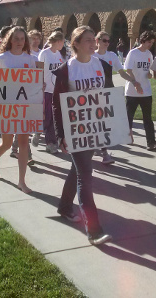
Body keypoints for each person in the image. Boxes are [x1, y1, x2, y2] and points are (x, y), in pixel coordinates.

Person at [52, 26, 114, 246]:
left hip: (95, 128)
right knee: (85, 176)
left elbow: (108, 96)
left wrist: (113, 127)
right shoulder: (66, 70)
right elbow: (57, 105)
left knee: (77, 170)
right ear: (75, 43)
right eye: (87, 40)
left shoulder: (102, 65)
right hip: (75, 130)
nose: (93, 44)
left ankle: (65, 206)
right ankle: (94, 229)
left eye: (93, 40)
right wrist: (61, 135)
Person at [0, 26, 37, 194]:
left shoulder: (30, 60)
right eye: (15, 38)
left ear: (26, 41)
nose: (19, 42)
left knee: (23, 143)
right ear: (9, 40)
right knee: (7, 143)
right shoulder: (2, 58)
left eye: (22, 39)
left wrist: (40, 86)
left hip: (24, 107)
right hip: (7, 106)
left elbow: (33, 83)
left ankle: (21, 181)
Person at [93, 31, 138, 163]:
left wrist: (133, 81)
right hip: (94, 92)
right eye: (104, 40)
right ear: (97, 41)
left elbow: (121, 72)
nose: (107, 43)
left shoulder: (112, 55)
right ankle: (99, 148)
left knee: (105, 123)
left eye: (108, 41)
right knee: (96, 122)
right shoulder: (91, 55)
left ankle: (104, 151)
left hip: (108, 90)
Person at [124, 30, 156, 150]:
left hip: (146, 91)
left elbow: (148, 70)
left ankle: (151, 142)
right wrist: (135, 83)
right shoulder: (133, 53)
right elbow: (128, 70)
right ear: (142, 40)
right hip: (132, 91)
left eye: (152, 42)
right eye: (149, 42)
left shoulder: (149, 54)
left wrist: (149, 74)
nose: (150, 44)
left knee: (148, 118)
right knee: (129, 116)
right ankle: (128, 136)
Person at [37, 31, 66, 154]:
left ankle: (51, 143)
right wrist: (39, 82)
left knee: (54, 118)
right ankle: (38, 131)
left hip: (56, 90)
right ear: (58, 41)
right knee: (47, 117)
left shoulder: (58, 54)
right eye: (63, 42)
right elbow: (38, 68)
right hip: (46, 90)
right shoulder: (44, 53)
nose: (63, 45)